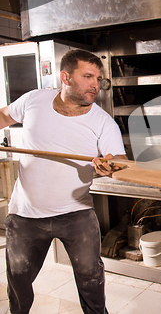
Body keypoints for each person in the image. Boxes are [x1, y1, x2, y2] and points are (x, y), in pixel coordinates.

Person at [0, 49, 127, 314]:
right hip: (25, 214)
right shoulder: (34, 100)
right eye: (88, 76)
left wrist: (110, 164)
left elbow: (118, 159)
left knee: (91, 279)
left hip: (76, 214)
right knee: (18, 278)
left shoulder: (103, 122)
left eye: (98, 78)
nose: (96, 84)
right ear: (65, 77)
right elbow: (4, 116)